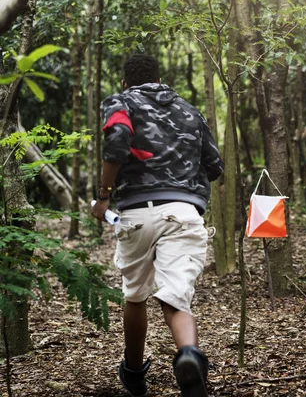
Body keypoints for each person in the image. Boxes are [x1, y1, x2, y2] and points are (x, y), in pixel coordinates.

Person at [92, 54, 223, 397]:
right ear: (159, 77)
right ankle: (189, 355)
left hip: (135, 213)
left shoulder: (120, 101)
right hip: (183, 213)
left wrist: (104, 196)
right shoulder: (189, 110)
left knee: (135, 295)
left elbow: (118, 138)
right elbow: (214, 165)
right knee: (175, 294)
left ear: (125, 81)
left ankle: (134, 372)